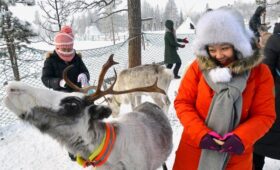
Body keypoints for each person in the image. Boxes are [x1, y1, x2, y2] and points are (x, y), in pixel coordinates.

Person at [173, 7, 276, 170]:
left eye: (225, 48)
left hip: (236, 157)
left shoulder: (260, 73)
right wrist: (201, 134)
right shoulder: (197, 68)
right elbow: (183, 103)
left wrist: (241, 138)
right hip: (194, 153)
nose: (219, 55)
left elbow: (264, 115)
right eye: (212, 50)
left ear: (239, 45)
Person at [253, 22, 280, 170]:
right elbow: (266, 73)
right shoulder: (275, 40)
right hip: (274, 100)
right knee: (261, 140)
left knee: (260, 142)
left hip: (273, 98)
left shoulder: (273, 40)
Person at [41, 25, 90, 93]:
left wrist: (84, 76)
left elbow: (85, 71)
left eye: (69, 49)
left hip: (78, 92)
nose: (67, 52)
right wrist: (58, 82)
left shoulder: (77, 58)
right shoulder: (51, 60)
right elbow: (45, 79)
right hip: (61, 95)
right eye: (64, 49)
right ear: (58, 47)